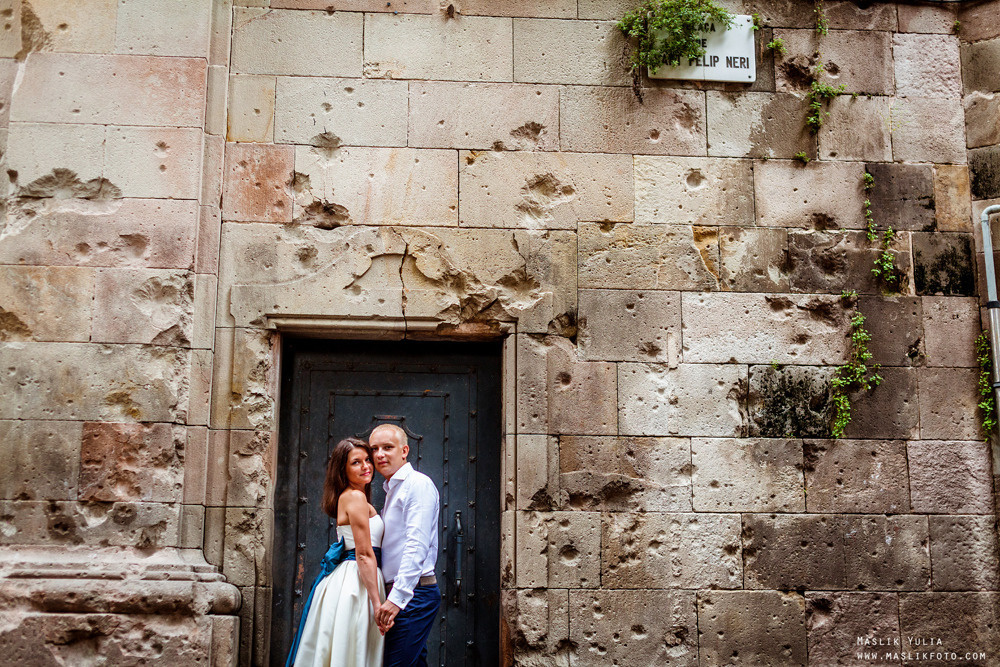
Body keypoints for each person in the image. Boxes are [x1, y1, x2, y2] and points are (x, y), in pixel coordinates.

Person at [286, 437, 387, 667]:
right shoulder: (354, 496)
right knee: (354, 648)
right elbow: (363, 553)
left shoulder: (354, 496)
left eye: (367, 460)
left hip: (355, 578)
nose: (366, 466)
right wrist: (376, 603)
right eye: (356, 462)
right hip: (357, 584)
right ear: (342, 469)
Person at [370, 423, 442, 667]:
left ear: (404, 451)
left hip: (413, 594)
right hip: (401, 592)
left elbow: (417, 545)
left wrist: (396, 599)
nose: (380, 454)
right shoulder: (392, 489)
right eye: (374, 449)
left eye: (387, 447)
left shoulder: (417, 485)